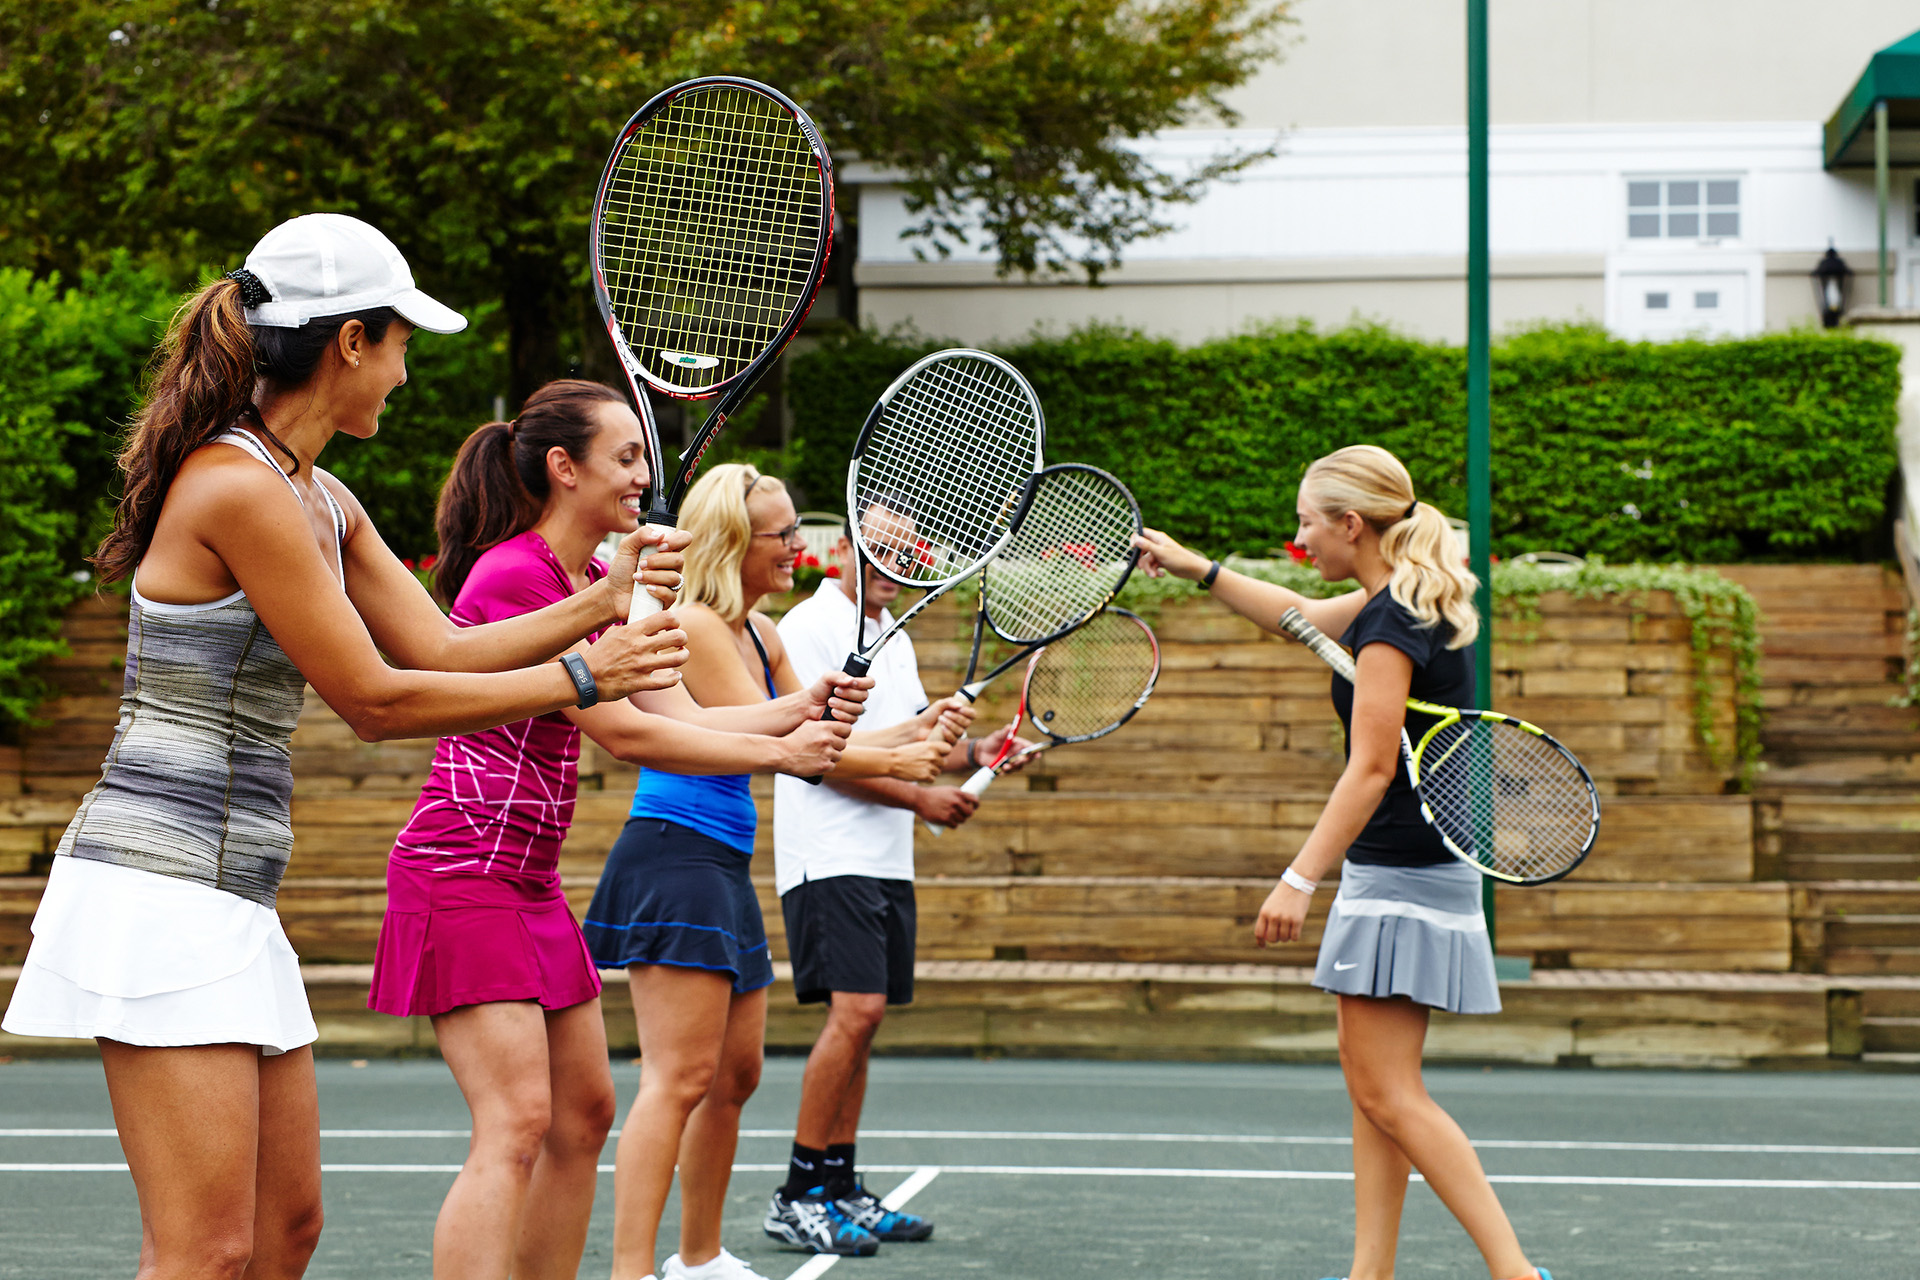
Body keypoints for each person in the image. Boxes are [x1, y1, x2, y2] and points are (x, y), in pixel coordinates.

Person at [0, 214, 688, 1280]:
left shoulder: (322, 495)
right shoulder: (238, 486)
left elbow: (442, 645)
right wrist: (589, 673)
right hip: (156, 890)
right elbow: (375, 697)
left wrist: (603, 599)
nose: (407, 375)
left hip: (230, 896)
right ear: (352, 341)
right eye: (402, 343)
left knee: (283, 1236)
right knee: (207, 1251)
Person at [370, 381, 873, 1280]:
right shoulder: (516, 575)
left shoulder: (590, 584)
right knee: (518, 1122)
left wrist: (797, 712)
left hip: (529, 879)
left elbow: (678, 713)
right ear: (564, 469)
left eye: (646, 457)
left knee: (585, 1114)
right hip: (462, 869)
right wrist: (783, 753)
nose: (644, 474)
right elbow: (629, 733)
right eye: (627, 456)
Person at [1132, 444, 1550, 1280]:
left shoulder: (1392, 621)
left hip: (1400, 871)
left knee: (1391, 1094)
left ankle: (1516, 1274)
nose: (1300, 539)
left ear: (1349, 524)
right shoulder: (1390, 603)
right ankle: (1371, 1274)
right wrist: (1195, 569)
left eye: (1305, 522)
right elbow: (1290, 613)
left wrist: (1297, 879)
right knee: (1374, 1092)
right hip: (1409, 868)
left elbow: (1372, 768)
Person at [585, 465, 958, 1280]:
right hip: (673, 856)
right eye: (783, 533)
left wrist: (915, 740)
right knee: (677, 1078)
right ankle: (631, 1270)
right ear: (732, 541)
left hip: (723, 862)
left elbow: (817, 742)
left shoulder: (764, 634)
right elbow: (774, 745)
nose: (801, 545)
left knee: (735, 1076)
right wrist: (894, 751)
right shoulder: (697, 626)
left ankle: (701, 1256)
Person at [763, 502, 1033, 1257]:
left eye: (902, 553)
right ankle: (800, 1191)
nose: (890, 565)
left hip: (884, 858)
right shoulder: (810, 629)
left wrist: (979, 750)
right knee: (855, 1013)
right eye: (875, 550)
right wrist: (923, 799)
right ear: (843, 548)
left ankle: (840, 1183)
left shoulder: (897, 637)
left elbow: (918, 744)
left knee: (868, 1019)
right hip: (829, 855)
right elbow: (826, 757)